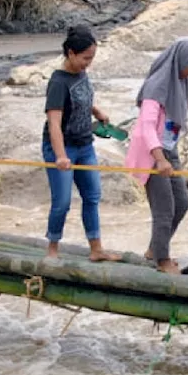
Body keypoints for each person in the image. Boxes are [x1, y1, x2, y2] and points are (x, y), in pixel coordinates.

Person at [124, 37, 188, 275]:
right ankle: (162, 260)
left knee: (182, 202)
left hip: (168, 150)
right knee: (164, 209)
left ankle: (155, 249)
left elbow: (176, 106)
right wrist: (160, 159)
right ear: (180, 61)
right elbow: (146, 126)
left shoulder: (176, 83)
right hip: (153, 153)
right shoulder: (157, 87)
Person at [42, 25, 121, 262]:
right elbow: (54, 123)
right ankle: (52, 250)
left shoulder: (81, 73)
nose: (89, 62)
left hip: (85, 145)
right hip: (62, 148)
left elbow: (83, 98)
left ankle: (96, 249)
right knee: (62, 202)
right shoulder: (58, 82)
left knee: (92, 196)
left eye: (92, 57)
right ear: (71, 54)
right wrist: (60, 156)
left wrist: (96, 112)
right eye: (86, 58)